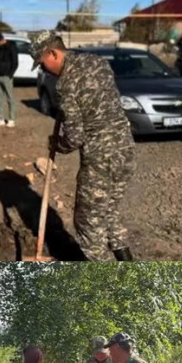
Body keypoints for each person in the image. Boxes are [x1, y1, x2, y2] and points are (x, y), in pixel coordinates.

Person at [30, 30, 135, 261]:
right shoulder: (96, 61)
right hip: (125, 150)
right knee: (109, 214)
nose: (44, 69)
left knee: (87, 224)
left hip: (101, 159)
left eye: (42, 62)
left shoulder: (66, 83)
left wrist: (56, 144)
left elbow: (75, 137)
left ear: (53, 53)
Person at [0, 32, 19, 127]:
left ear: (1, 40)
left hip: (7, 76)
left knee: (10, 98)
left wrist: (10, 74)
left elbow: (15, 62)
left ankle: (11, 119)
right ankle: (0, 118)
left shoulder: (11, 47)